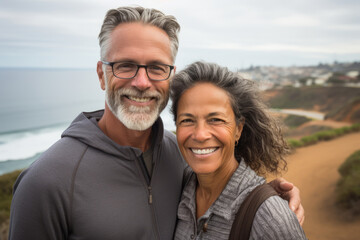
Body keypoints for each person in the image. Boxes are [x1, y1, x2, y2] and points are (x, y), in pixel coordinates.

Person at [9, 6, 303, 240]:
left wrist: (268, 203)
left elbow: (225, 188)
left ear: (170, 77)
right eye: (125, 65)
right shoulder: (46, 182)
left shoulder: (182, 153)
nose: (141, 82)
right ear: (102, 74)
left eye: (156, 68)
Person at [170, 61, 307, 239]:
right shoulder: (178, 186)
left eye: (216, 119)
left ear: (239, 129)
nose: (200, 135)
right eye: (187, 120)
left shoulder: (271, 220)